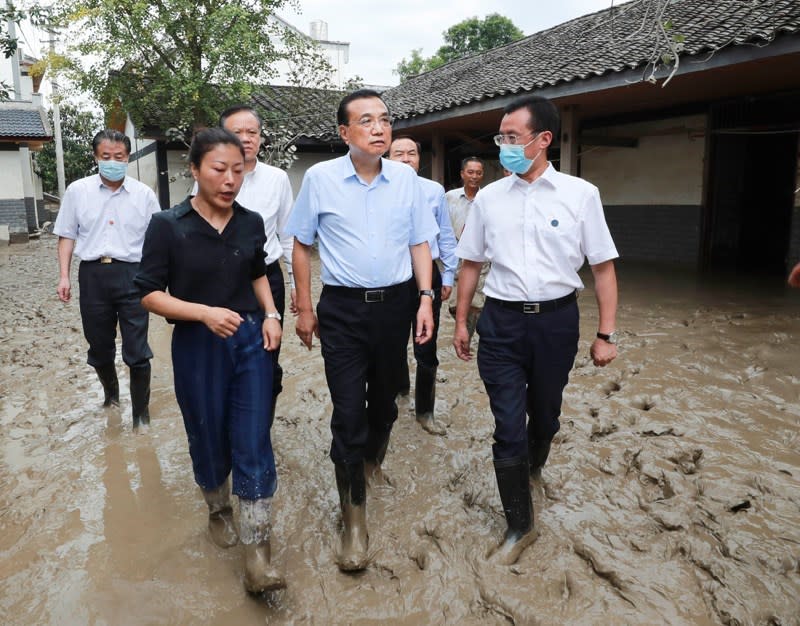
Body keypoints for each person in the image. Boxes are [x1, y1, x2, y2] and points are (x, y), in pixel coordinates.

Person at [453, 95, 619, 566]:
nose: (503, 145)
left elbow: (603, 269)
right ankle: (519, 525)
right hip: (501, 321)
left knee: (544, 415)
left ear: (543, 139)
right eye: (500, 137)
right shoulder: (487, 199)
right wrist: (463, 320)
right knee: (507, 426)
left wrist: (606, 334)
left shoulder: (579, 195)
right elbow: (470, 264)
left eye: (512, 137)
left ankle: (535, 466)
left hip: (556, 322)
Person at [286, 89, 438, 572]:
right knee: (349, 410)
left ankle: (372, 462)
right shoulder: (321, 179)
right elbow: (301, 247)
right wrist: (305, 308)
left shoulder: (407, 182)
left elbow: (420, 243)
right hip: (344, 311)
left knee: (387, 402)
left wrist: (426, 298)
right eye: (366, 121)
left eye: (385, 120)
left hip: (396, 306)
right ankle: (354, 520)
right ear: (344, 133)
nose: (379, 128)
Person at [134, 128, 285, 594]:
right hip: (198, 345)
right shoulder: (168, 224)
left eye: (237, 171)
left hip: (249, 339)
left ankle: (257, 552)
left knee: (254, 436)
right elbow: (149, 294)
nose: (230, 180)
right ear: (195, 170)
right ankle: (219, 510)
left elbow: (258, 270)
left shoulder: (251, 221)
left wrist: (272, 313)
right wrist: (202, 312)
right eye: (219, 169)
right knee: (206, 431)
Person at [54, 129, 160, 431]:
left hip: (134, 276)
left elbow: (157, 241)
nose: (113, 162)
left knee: (137, 350)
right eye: (106, 157)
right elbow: (66, 235)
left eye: (119, 157)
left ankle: (141, 416)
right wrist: (64, 276)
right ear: (95, 157)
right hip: (92, 276)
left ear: (127, 158)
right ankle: (111, 398)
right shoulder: (78, 191)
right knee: (99, 347)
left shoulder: (144, 195)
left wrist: (157, 280)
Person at [218, 105, 295, 419]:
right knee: (223, 357)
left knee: (267, 354)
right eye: (237, 132)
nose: (246, 139)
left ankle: (261, 428)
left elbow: (288, 235)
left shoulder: (277, 179)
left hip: (268, 279)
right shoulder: (210, 178)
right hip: (221, 282)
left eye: (253, 133)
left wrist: (295, 288)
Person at [388, 135, 458, 436]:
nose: (406, 159)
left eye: (412, 153)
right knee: (392, 340)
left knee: (425, 343)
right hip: (391, 273)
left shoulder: (433, 191)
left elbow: (445, 235)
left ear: (420, 158)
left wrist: (450, 275)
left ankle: (425, 411)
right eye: (399, 154)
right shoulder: (379, 190)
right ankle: (398, 392)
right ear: (388, 157)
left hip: (427, 274)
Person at [446, 156, 487, 339]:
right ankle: (464, 334)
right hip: (456, 258)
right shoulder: (450, 198)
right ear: (462, 174)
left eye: (478, 173)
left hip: (481, 259)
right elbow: (443, 228)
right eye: (470, 172)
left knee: (478, 302)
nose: (474, 176)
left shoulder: (488, 198)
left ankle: (471, 340)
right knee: (455, 304)